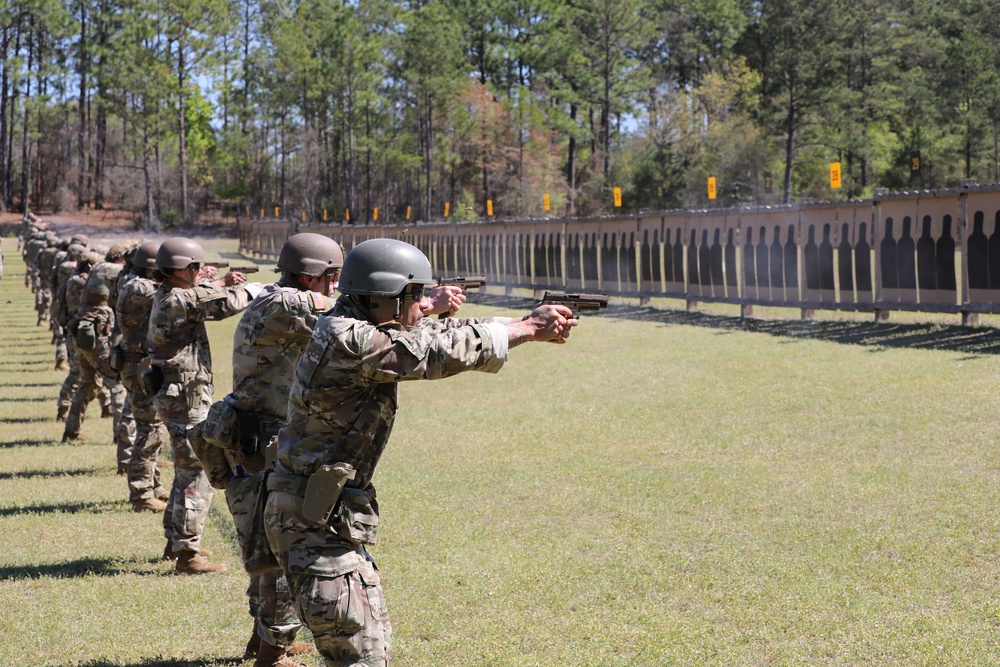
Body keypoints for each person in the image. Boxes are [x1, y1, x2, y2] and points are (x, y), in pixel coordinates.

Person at [263, 238, 577, 666]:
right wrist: (525, 329)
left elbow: (440, 332)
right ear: (385, 299)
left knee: (366, 646)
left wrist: (523, 322)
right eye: (414, 295)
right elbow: (433, 352)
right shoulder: (350, 340)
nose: (422, 305)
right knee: (362, 656)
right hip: (312, 523)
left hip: (323, 516)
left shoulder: (358, 325)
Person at [148, 237, 258, 574]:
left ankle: (176, 540)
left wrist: (217, 281)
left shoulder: (170, 294)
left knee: (186, 469)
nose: (198, 272)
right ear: (178, 270)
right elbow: (224, 305)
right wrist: (258, 289)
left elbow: (206, 294)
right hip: (184, 396)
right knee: (198, 471)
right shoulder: (179, 299)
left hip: (177, 392)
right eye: (194, 267)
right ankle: (187, 553)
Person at [115, 241, 170, 512]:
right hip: (140, 365)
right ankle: (141, 493)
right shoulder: (142, 288)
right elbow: (171, 298)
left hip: (133, 362)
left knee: (151, 427)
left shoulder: (130, 282)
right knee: (149, 430)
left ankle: (154, 486)